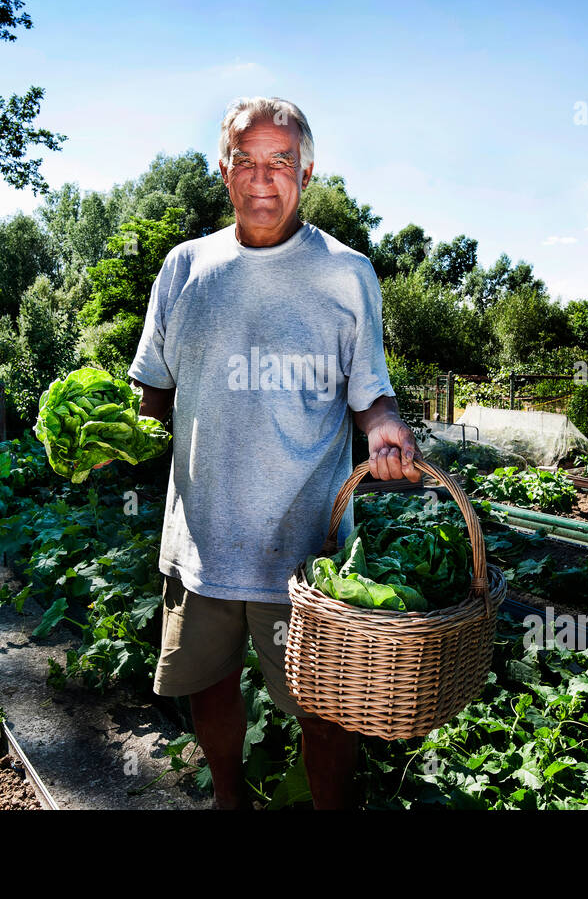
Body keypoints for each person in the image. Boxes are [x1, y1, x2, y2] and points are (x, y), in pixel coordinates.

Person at [127, 96, 421, 810]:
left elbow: (371, 393)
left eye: (280, 162)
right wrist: (112, 435)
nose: (264, 178)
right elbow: (151, 396)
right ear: (223, 171)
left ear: (307, 172)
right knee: (210, 686)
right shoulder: (185, 267)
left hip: (306, 550)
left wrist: (384, 426)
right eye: (247, 161)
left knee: (325, 711)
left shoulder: (346, 273)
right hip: (201, 539)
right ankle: (231, 801)